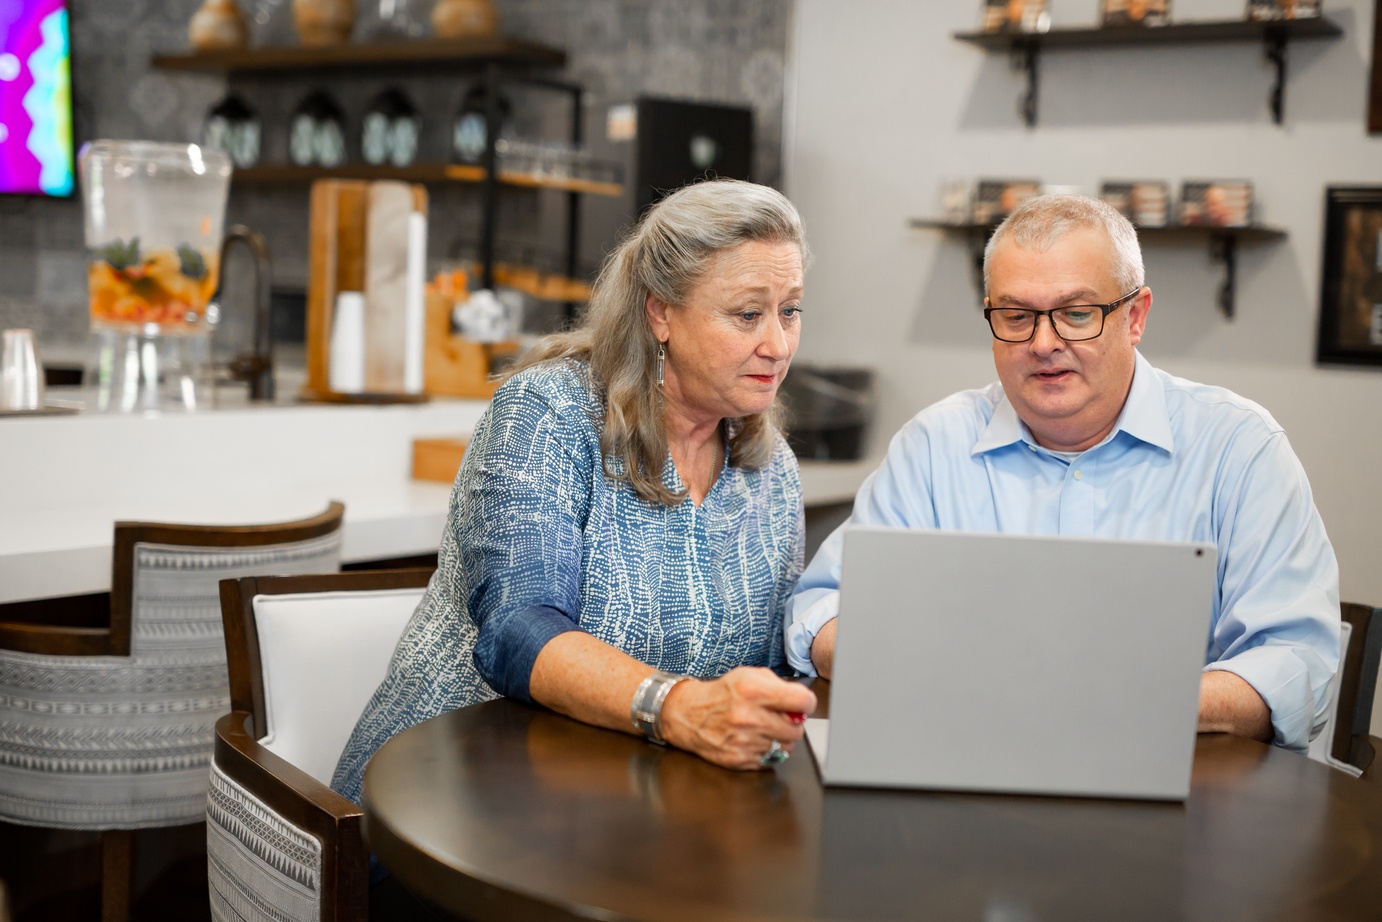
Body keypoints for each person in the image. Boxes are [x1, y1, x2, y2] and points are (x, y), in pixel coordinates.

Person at [333, 178, 818, 830]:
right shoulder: (549, 415)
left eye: (790, 311)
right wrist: (678, 709)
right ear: (660, 313)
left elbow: (770, 666)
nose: (778, 345)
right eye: (747, 315)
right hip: (446, 806)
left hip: (632, 816)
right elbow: (518, 631)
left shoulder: (770, 468)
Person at [787, 193, 1339, 754]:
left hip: (1179, 772)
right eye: (1016, 316)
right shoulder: (933, 447)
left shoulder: (1238, 449)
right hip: (964, 761)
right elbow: (821, 611)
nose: (1044, 344)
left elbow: (1297, 663)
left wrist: (1127, 704)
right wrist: (949, 677)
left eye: (1076, 314)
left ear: (1135, 317)